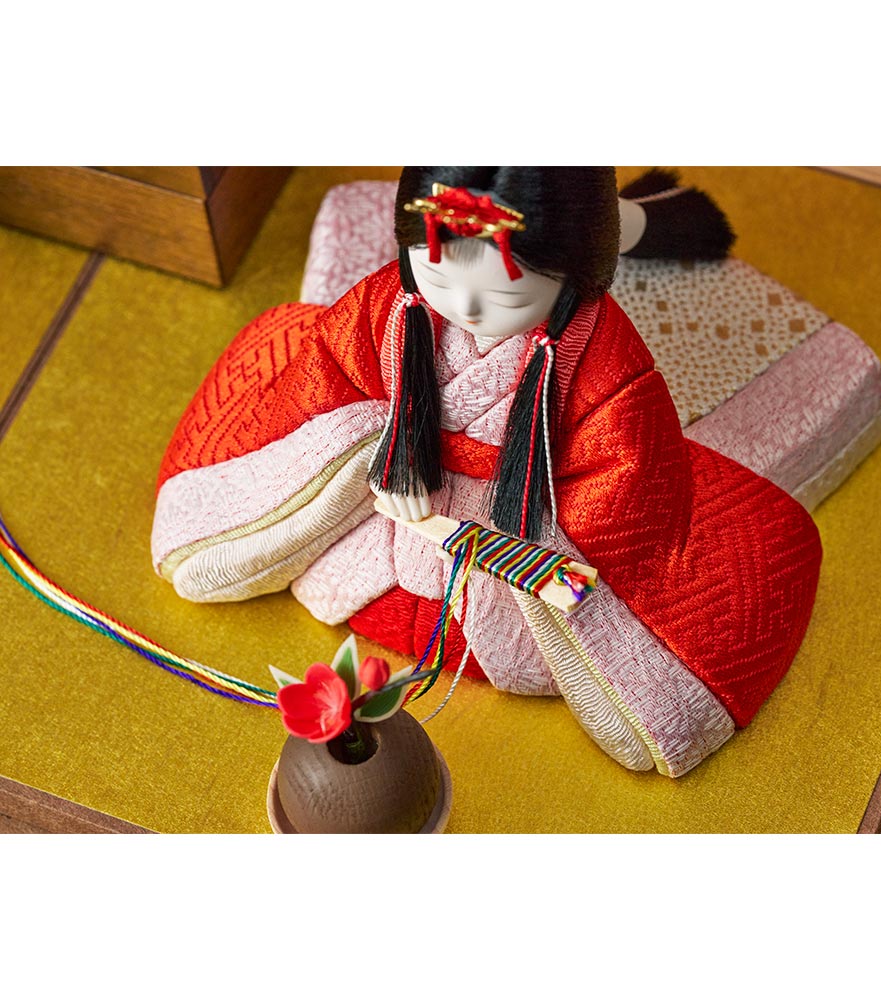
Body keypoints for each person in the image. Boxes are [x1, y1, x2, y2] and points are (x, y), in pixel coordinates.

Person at [152, 167, 821, 777]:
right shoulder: (389, 305)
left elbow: (626, 488)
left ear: (575, 273)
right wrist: (384, 459)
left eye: (501, 294)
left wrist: (522, 535)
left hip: (514, 540)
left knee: (729, 578)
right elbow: (326, 385)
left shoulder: (605, 365)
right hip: (383, 517)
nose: (465, 308)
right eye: (439, 278)